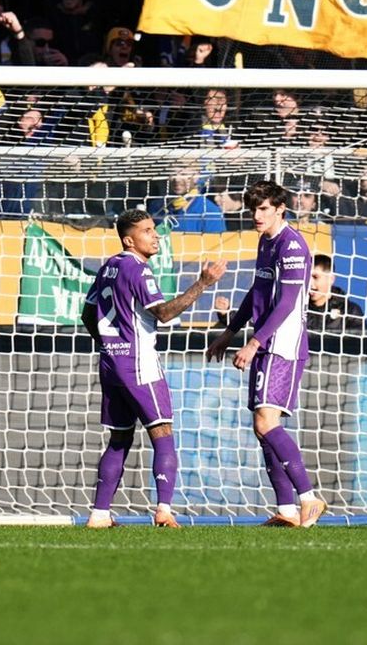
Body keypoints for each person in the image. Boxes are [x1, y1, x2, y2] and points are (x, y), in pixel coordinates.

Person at [81, 209, 225, 528]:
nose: (155, 235)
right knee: (162, 434)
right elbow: (164, 313)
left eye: (153, 229)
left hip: (111, 363)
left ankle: (100, 514)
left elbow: (87, 315)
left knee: (120, 438)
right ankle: (163, 511)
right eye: (147, 231)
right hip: (139, 364)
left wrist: (110, 344)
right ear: (129, 240)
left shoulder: (108, 267)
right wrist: (202, 283)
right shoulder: (138, 269)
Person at [205, 180, 326, 528]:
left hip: (282, 344)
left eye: (263, 209)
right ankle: (286, 510)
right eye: (252, 210)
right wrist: (230, 331)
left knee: (265, 423)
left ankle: (309, 498)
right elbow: (257, 291)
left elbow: (287, 303)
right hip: (265, 341)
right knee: (262, 428)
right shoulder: (266, 241)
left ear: (280, 209)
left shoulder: (292, 245)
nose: (256, 216)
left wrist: (254, 343)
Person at [305, 254, 366, 333]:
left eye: (315, 277)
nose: (309, 283)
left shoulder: (350, 311)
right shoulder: (299, 310)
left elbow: (364, 339)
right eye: (307, 278)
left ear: (331, 279)